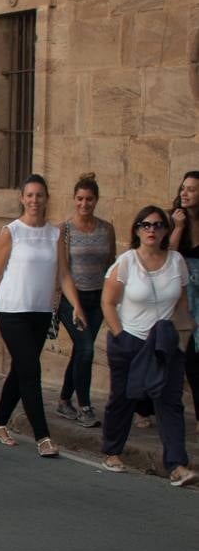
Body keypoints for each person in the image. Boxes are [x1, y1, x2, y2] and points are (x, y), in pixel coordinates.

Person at [0, 174, 86, 458]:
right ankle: (43, 436)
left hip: (40, 311)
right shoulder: (11, 231)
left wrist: (76, 304)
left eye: (39, 195)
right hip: (11, 309)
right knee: (31, 369)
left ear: (46, 198)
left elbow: (63, 273)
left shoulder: (56, 234)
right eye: (29, 195)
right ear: (22, 198)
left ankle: (0, 421)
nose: (34, 200)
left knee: (22, 368)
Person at [100, 206, 196, 486]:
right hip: (131, 340)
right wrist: (120, 335)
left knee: (169, 403)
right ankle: (112, 452)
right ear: (137, 230)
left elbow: (181, 303)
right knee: (123, 399)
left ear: (166, 230)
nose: (151, 230)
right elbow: (108, 302)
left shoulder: (176, 261)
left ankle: (177, 465)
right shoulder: (127, 262)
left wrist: (184, 337)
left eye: (157, 225)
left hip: (165, 344)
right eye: (145, 225)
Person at [53, 173, 116, 428]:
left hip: (98, 298)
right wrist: (74, 301)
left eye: (89, 199)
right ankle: (85, 406)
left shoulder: (106, 228)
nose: (84, 204)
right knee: (87, 349)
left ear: (96, 200)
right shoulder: (64, 230)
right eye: (80, 199)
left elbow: (111, 262)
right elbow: (63, 269)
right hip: (72, 299)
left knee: (82, 349)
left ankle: (63, 400)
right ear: (74, 199)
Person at [169, 171, 199, 433]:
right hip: (182, 294)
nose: (185, 193)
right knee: (186, 353)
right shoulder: (175, 221)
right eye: (183, 188)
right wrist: (178, 227)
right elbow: (168, 255)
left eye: (191, 189)